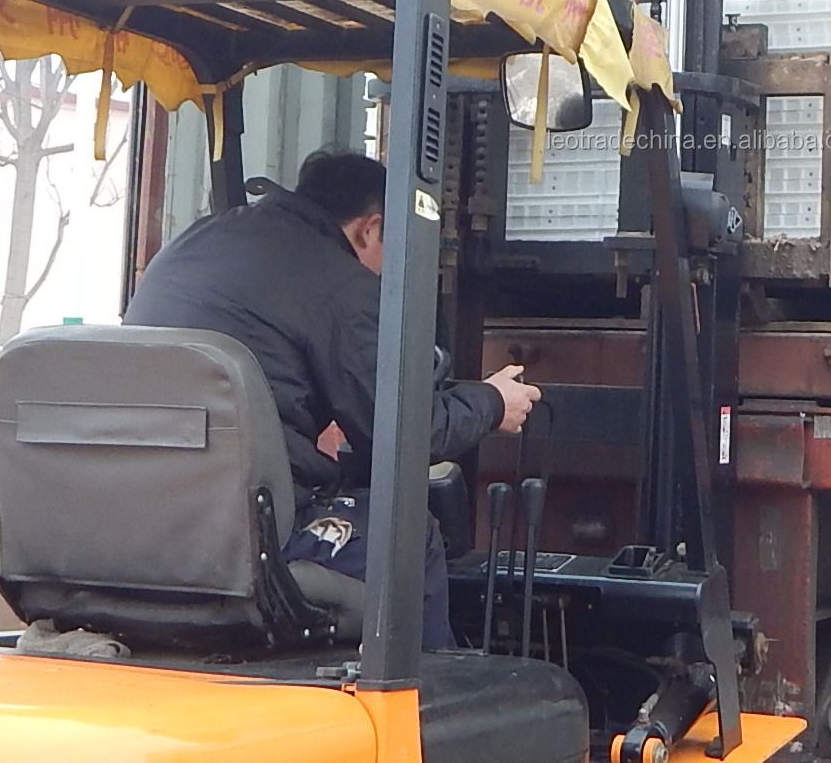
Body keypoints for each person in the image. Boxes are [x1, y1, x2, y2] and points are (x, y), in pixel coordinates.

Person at [124, 147, 536, 648]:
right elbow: (408, 431)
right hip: (239, 533)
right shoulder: (339, 283)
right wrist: (492, 402)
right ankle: (423, 710)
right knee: (408, 534)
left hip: (139, 516)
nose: (387, 270)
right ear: (370, 228)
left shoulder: (201, 237)